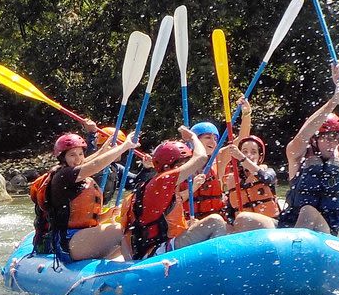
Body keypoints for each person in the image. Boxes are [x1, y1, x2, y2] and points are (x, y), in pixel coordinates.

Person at [278, 61, 339, 239]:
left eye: (335, 137)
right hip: (291, 229)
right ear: (315, 139)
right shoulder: (296, 156)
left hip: (325, 234)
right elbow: (305, 132)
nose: (332, 142)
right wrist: (333, 101)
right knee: (247, 218)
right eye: (326, 137)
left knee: (309, 212)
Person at [121, 126, 227, 260]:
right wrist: (193, 137)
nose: (186, 168)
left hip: (153, 250)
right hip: (157, 253)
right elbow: (200, 158)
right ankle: (218, 268)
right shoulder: (163, 180)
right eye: (182, 164)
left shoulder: (156, 187)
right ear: (168, 166)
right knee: (215, 221)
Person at [44, 131, 140, 262]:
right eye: (72, 155)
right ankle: (134, 270)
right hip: (67, 241)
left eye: (80, 154)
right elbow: (95, 165)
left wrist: (104, 149)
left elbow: (89, 162)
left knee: (126, 225)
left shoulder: (75, 176)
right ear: (62, 157)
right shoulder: (64, 176)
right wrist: (124, 147)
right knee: (120, 231)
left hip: (81, 238)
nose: (77, 159)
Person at [184, 97, 252, 219]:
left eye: (215, 139)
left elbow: (242, 138)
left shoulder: (219, 158)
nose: (213, 142)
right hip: (190, 223)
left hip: (215, 222)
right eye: (208, 137)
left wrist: (246, 114)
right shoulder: (183, 163)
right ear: (195, 140)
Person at [86, 125, 155, 205]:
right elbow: (91, 158)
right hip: (86, 208)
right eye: (118, 148)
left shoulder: (116, 168)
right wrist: (92, 134)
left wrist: (147, 169)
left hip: (99, 209)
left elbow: (135, 183)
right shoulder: (92, 163)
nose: (121, 152)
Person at [221, 135, 281, 220]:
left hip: (269, 225)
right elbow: (229, 213)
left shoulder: (269, 172)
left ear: (260, 157)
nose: (249, 155)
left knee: (244, 217)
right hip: (245, 228)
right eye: (244, 152)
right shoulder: (233, 180)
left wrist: (242, 157)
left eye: (253, 152)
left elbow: (266, 178)